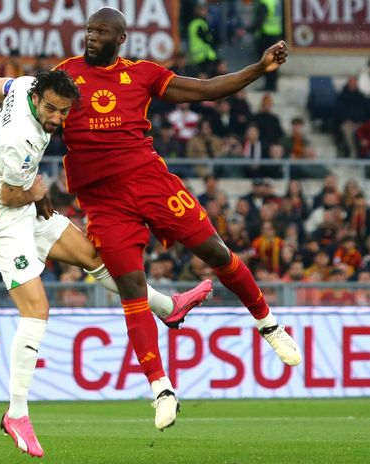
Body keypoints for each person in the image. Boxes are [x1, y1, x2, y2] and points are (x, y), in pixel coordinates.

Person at [54, 5, 301, 430]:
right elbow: (27, 100)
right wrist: (0, 87)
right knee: (132, 287)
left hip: (150, 181)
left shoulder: (144, 74)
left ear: (120, 38)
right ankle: (161, 389)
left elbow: (206, 89)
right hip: (101, 200)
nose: (91, 36)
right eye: (89, 30)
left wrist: (259, 68)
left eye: (101, 31)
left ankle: (268, 324)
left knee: (216, 251)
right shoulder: (66, 74)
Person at [0, 71, 212, 457]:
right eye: (50, 109)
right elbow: (10, 194)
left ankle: (167, 308)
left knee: (93, 257)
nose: (55, 118)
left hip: (23, 208)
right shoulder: (24, 138)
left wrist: (33, 192)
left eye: (63, 111)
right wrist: (37, 190)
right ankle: (16, 414)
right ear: (37, 98)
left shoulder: (24, 87)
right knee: (37, 309)